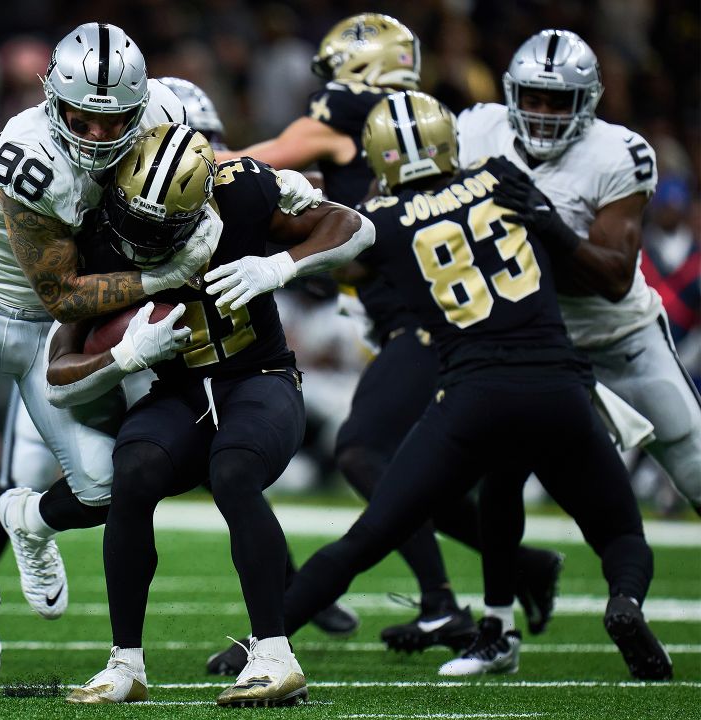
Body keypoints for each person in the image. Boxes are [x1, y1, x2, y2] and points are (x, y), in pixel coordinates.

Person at [206, 16, 559, 673]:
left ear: (356, 68)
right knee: (412, 471)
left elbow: (265, 160)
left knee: (365, 452)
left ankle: (439, 600)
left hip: (420, 322)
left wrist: (182, 160)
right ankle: (523, 564)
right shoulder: (419, 118)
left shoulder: (347, 108)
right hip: (441, 315)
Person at [278, 90, 670, 681]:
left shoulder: (379, 221)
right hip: (557, 384)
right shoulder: (503, 175)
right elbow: (565, 256)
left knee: (367, 537)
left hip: (473, 396)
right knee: (618, 530)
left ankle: (262, 642)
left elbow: (337, 262)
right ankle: (622, 602)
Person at [0, 22, 203, 694]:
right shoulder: (26, 153)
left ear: (141, 108)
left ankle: (26, 520)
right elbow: (58, 291)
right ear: (52, 100)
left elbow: (206, 180)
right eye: (80, 118)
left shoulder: (167, 122)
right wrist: (163, 279)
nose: (95, 136)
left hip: (60, 328)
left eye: (110, 120)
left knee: (104, 489)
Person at [49, 123, 373, 705]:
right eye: (137, 223)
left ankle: (275, 655)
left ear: (201, 205)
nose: (145, 241)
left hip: (260, 378)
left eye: (162, 229)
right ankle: (125, 666)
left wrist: (280, 267)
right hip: (180, 393)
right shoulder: (99, 229)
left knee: (234, 471)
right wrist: (123, 358)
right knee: (135, 469)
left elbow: (356, 227)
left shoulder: (242, 192)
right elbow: (58, 376)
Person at [457, 29, 701, 513]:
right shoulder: (476, 130)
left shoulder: (616, 153)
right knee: (464, 475)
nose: (543, 114)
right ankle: (491, 588)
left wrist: (547, 223)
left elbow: (612, 280)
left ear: (587, 103)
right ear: (511, 94)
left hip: (618, 340)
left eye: (558, 101)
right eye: (534, 99)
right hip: (525, 343)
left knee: (695, 465)